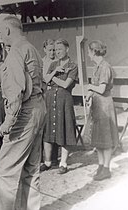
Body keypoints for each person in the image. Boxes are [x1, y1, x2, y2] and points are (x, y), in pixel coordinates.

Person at [0, 16, 46, 210]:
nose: (0, 37)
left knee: (5, 171)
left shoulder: (15, 52)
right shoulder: (32, 49)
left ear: (8, 30)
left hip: (23, 113)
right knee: (32, 169)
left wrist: (8, 121)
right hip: (39, 108)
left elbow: (16, 91)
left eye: (0, 32)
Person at [42, 38, 78, 174]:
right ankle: (48, 161)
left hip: (64, 101)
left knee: (64, 130)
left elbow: (66, 84)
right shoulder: (54, 64)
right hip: (50, 100)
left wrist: (52, 78)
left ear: (67, 49)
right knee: (48, 129)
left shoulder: (73, 65)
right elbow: (45, 79)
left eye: (60, 49)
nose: (57, 52)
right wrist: (54, 71)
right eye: (56, 50)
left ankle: (63, 163)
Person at [86, 40, 119, 181]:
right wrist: (89, 95)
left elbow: (101, 88)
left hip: (105, 106)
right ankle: (100, 166)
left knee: (106, 139)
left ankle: (106, 168)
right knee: (98, 139)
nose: (88, 54)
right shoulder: (98, 67)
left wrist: (89, 87)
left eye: (89, 51)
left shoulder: (105, 67)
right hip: (98, 106)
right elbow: (95, 87)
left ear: (94, 52)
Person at [40, 39, 59, 167]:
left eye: (54, 50)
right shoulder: (41, 62)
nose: (52, 52)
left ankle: (54, 157)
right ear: (45, 50)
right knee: (44, 125)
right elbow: (42, 79)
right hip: (43, 95)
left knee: (55, 124)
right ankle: (44, 157)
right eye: (50, 50)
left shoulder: (58, 62)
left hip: (54, 95)